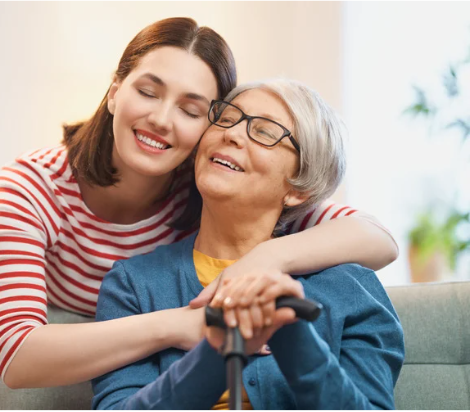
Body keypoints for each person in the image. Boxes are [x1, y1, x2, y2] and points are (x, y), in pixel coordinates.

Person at [0, 17, 399, 389]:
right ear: (113, 92)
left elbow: (377, 237)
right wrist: (185, 324)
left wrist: (263, 260)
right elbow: (18, 356)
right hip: (43, 290)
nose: (162, 120)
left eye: (191, 109)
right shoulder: (30, 186)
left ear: (206, 125)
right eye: (147, 92)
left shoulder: (208, 187)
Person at [92, 79, 405, 409]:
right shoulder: (133, 284)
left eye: (266, 132)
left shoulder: (352, 289)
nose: (232, 133)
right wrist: (217, 351)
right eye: (226, 118)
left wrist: (290, 330)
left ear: (298, 188)